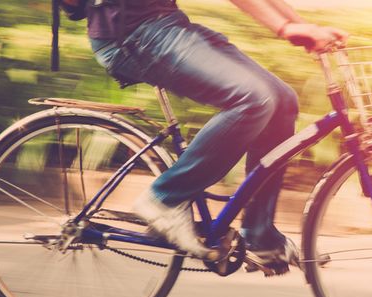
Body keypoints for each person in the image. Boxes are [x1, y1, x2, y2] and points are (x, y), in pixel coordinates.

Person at [63, 0, 348, 272]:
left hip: (165, 25)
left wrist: (304, 27)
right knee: (254, 99)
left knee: (283, 101)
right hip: (130, 35)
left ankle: (259, 234)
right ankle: (165, 198)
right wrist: (287, 28)